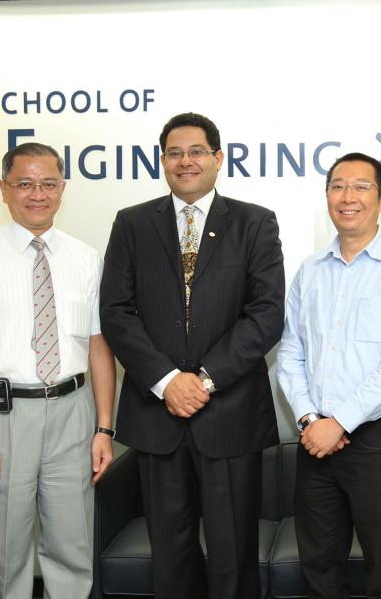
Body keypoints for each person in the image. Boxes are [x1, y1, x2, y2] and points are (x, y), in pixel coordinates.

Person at [99, 112, 284, 599]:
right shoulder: (132, 224)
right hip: (156, 415)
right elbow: (116, 313)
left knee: (233, 553)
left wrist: (203, 379)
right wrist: (166, 380)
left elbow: (266, 314)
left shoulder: (254, 223)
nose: (186, 161)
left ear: (218, 159)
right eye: (175, 153)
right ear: (162, 161)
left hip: (229, 414)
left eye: (197, 151)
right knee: (170, 554)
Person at [0, 142, 116, 599]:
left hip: (72, 414)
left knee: (72, 547)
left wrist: (103, 428)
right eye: (24, 183)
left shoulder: (87, 258)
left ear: (62, 190)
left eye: (48, 184)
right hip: (3, 415)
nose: (36, 194)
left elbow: (99, 349)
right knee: (4, 551)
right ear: (3, 189)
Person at [276, 152, 381, 598]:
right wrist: (308, 420)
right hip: (314, 438)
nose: (348, 197)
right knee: (318, 564)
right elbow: (291, 351)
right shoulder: (310, 270)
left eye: (361, 187)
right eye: (338, 186)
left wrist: (338, 423)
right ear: (327, 196)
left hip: (376, 441)